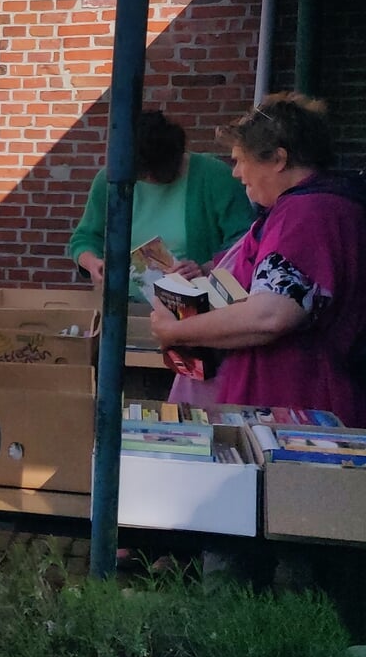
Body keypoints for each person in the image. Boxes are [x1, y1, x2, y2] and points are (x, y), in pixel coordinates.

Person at [150, 94, 364, 422]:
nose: (236, 173)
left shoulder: (307, 214)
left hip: (295, 401)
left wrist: (176, 332)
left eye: (241, 160)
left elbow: (271, 315)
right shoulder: (317, 207)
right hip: (292, 398)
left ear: (278, 159)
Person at [68, 109, 251, 294]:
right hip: (121, 304)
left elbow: (245, 241)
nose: (149, 178)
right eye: (142, 174)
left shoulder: (213, 176)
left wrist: (205, 269)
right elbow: (86, 237)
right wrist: (93, 262)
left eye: (153, 171)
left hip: (195, 305)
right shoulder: (110, 180)